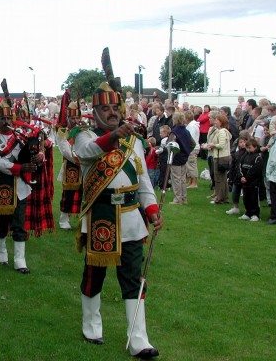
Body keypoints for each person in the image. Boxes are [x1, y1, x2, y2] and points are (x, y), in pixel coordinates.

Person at [74, 82, 163, 359]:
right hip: (101, 215)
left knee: (133, 279)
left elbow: (142, 179)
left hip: (131, 216)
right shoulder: (83, 135)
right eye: (105, 108)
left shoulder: (133, 139)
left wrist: (151, 209)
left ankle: (139, 340)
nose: (111, 112)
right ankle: (91, 327)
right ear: (95, 110)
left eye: (115, 107)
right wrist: (114, 136)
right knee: (94, 276)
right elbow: (87, 152)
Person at [0, 99, 44, 274]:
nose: (6, 122)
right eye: (2, 119)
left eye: (8, 118)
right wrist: (19, 168)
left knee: (19, 223)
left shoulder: (20, 136)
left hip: (20, 186)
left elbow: (29, 156)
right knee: (2, 223)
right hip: (2, 184)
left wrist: (37, 156)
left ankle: (20, 260)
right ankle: (1, 251)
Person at [55, 97, 83, 230]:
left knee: (84, 193)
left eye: (77, 118)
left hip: (84, 166)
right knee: (68, 194)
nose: (75, 121)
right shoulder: (62, 132)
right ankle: (63, 220)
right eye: (73, 118)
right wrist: (81, 159)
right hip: (71, 165)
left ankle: (83, 219)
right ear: (68, 118)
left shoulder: (83, 129)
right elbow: (66, 151)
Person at [206, 114, 232, 204]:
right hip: (221, 156)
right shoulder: (222, 131)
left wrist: (212, 145)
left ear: (221, 122)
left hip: (221, 157)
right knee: (223, 178)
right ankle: (224, 197)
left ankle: (219, 198)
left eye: (217, 120)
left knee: (219, 178)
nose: (215, 122)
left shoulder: (222, 132)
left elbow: (221, 145)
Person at [168, 112, 192, 205]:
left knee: (176, 179)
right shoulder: (186, 131)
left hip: (176, 157)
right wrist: (187, 151)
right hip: (184, 156)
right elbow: (192, 143)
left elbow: (170, 143)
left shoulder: (174, 132)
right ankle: (184, 198)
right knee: (182, 179)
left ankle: (178, 199)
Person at [237, 138, 263, 222]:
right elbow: (240, 166)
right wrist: (241, 176)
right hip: (244, 182)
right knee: (246, 197)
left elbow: (256, 170)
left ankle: (255, 214)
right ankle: (248, 212)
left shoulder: (258, 157)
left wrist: (247, 177)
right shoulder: (244, 156)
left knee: (254, 198)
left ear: (255, 147)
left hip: (254, 182)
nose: (248, 149)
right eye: (247, 147)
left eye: (250, 147)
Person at [184, 110, 200, 188]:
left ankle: (194, 182)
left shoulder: (192, 126)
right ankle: (191, 181)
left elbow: (191, 138)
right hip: (191, 147)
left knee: (192, 165)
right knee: (189, 165)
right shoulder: (191, 125)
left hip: (192, 148)